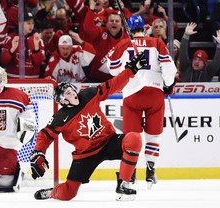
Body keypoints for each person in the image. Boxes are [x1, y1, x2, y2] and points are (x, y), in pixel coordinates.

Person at [30, 52, 147, 201]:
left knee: (134, 139)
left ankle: (123, 184)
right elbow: (45, 135)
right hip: (86, 154)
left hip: (108, 141)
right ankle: (52, 192)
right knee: (68, 194)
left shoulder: (89, 94)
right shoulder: (60, 118)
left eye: (72, 89)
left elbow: (113, 85)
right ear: (63, 101)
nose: (72, 92)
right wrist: (38, 152)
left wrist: (130, 71)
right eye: (68, 92)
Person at [107, 14, 177, 189]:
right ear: (145, 28)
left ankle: (130, 174)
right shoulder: (156, 42)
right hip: (154, 92)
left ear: (128, 29)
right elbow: (169, 68)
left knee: (132, 137)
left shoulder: (122, 44)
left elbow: (113, 69)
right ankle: (150, 171)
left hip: (132, 93)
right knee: (153, 136)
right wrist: (168, 84)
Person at [1, 12, 45, 78]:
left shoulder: (38, 39)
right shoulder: (10, 38)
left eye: (33, 23)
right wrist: (12, 49)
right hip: (13, 79)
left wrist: (36, 47)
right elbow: (3, 60)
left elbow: (39, 62)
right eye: (28, 23)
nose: (31, 26)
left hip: (33, 80)